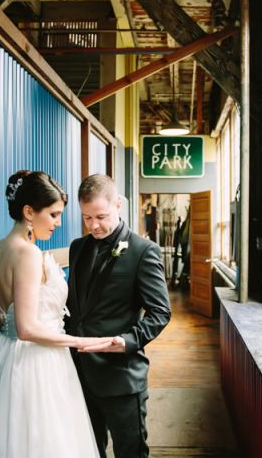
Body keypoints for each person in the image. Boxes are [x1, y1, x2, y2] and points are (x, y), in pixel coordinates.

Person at [0, 170, 110, 458]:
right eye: (53, 214)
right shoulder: (28, 254)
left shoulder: (1, 247)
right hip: (38, 363)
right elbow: (27, 329)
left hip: (5, 358)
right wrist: (80, 342)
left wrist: (12, 336)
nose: (58, 223)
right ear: (29, 212)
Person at [66, 174, 172, 458]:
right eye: (87, 217)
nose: (93, 225)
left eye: (100, 216)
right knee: (88, 450)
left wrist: (127, 341)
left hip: (121, 377)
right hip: (78, 374)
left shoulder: (143, 251)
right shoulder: (77, 248)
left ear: (118, 205)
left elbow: (160, 312)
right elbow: (75, 308)